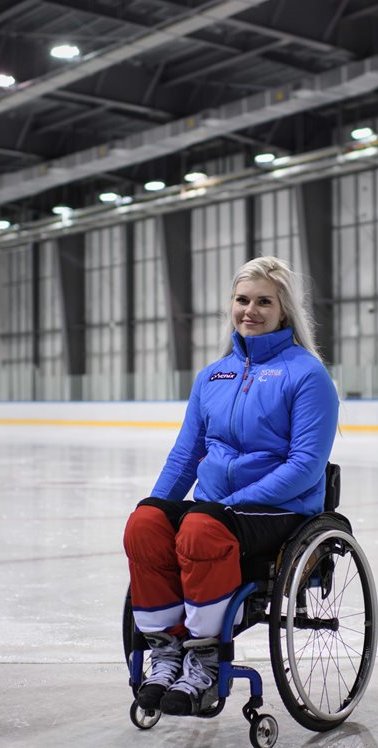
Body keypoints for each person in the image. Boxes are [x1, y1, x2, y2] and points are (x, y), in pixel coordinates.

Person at [122, 256, 339, 716]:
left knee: (201, 528)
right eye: (243, 300)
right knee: (144, 525)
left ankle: (204, 661)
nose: (251, 311)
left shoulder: (307, 374)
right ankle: (165, 651)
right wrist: (158, 506)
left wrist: (231, 505)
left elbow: (305, 465)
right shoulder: (212, 376)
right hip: (217, 513)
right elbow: (186, 456)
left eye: (264, 301)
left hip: (280, 510)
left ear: (284, 311)